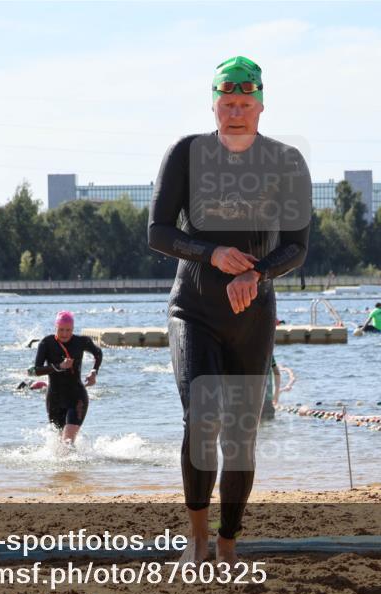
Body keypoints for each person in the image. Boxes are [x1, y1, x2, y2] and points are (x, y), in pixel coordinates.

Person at [148, 55, 311, 565]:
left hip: (252, 314)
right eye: (227, 102)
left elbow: (297, 246)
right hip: (193, 309)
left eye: (245, 103)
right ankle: (196, 538)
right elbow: (158, 233)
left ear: (261, 106)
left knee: (241, 436)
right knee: (202, 419)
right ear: (214, 104)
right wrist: (211, 253)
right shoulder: (186, 154)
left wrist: (255, 273)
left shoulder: (286, 162)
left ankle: (227, 544)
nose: (235, 111)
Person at [29, 311, 103, 444]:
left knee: (67, 441)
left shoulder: (81, 341)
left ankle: (75, 463)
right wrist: (59, 366)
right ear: (55, 327)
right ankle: (69, 464)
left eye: (68, 330)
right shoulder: (47, 343)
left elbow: (98, 353)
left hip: (77, 397)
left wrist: (94, 372)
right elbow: (36, 370)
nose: (64, 334)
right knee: (58, 444)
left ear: (73, 329)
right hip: (54, 398)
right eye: (61, 330)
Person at [260, 354, 281, 420]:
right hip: (267, 401)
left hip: (254, 402)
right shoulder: (268, 352)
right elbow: (277, 373)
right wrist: (276, 395)